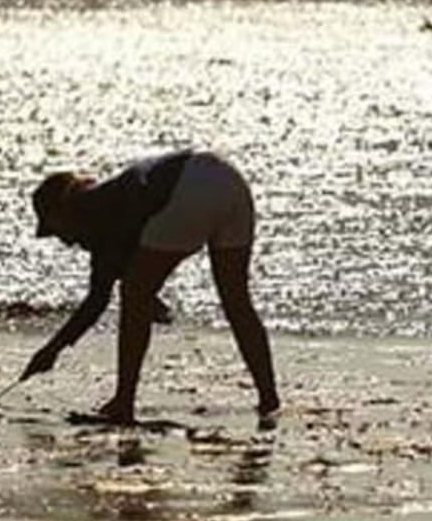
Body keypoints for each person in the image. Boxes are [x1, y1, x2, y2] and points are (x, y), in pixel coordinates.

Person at [23, 150, 279, 423]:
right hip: (229, 179)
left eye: (57, 230)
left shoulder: (93, 209)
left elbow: (97, 300)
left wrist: (51, 350)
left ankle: (124, 402)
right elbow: (127, 255)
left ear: (64, 210)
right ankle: (268, 397)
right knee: (237, 301)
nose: (65, 242)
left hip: (185, 189)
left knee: (134, 295)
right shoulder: (110, 195)